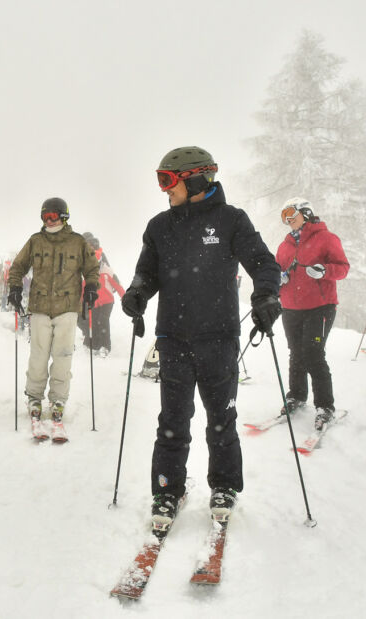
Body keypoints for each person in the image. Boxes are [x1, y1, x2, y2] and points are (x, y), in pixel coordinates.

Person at [120, 146, 280, 526]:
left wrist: (266, 295)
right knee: (173, 419)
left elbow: (263, 263)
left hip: (219, 338)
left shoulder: (231, 220)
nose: (164, 190)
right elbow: (147, 274)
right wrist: (136, 294)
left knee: (221, 418)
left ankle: (224, 486)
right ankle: (166, 490)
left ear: (193, 178)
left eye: (167, 181)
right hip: (173, 338)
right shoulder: (160, 226)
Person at [7, 198, 100, 432]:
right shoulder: (35, 241)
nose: (49, 221)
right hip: (39, 307)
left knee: (63, 355)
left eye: (53, 216)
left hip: (67, 308)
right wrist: (15, 288)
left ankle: (58, 398)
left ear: (64, 217)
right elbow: (18, 267)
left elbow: (92, 269)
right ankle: (34, 397)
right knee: (38, 356)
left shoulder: (77, 242)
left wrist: (91, 287)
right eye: (45, 217)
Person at [275, 198, 349, 428]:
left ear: (305, 212)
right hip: (291, 308)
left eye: (291, 213)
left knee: (313, 354)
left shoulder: (326, 238)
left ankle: (325, 407)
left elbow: (343, 268)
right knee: (296, 353)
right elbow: (276, 269)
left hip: (320, 307)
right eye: (283, 216)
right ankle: (296, 396)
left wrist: (325, 271)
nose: (287, 220)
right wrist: (278, 278)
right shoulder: (284, 245)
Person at [77, 235, 125, 356]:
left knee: (102, 321)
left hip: (107, 301)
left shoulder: (106, 269)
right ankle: (95, 345)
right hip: (93, 301)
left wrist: (125, 297)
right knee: (93, 322)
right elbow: (83, 288)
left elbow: (118, 285)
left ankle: (105, 346)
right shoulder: (84, 270)